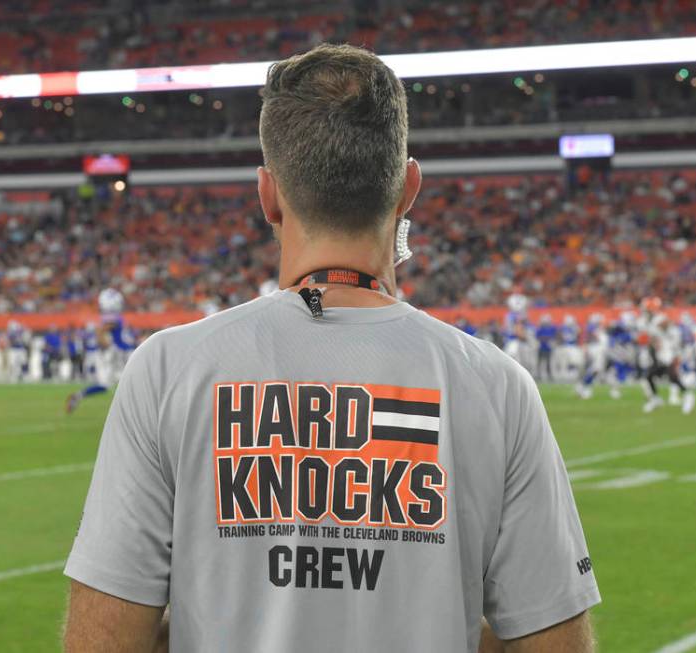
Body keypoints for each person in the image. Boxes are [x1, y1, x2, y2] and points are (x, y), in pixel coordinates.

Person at [63, 44, 599, 653]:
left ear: (267, 194)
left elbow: (101, 641)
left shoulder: (168, 369)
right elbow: (554, 642)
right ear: (408, 189)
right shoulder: (498, 387)